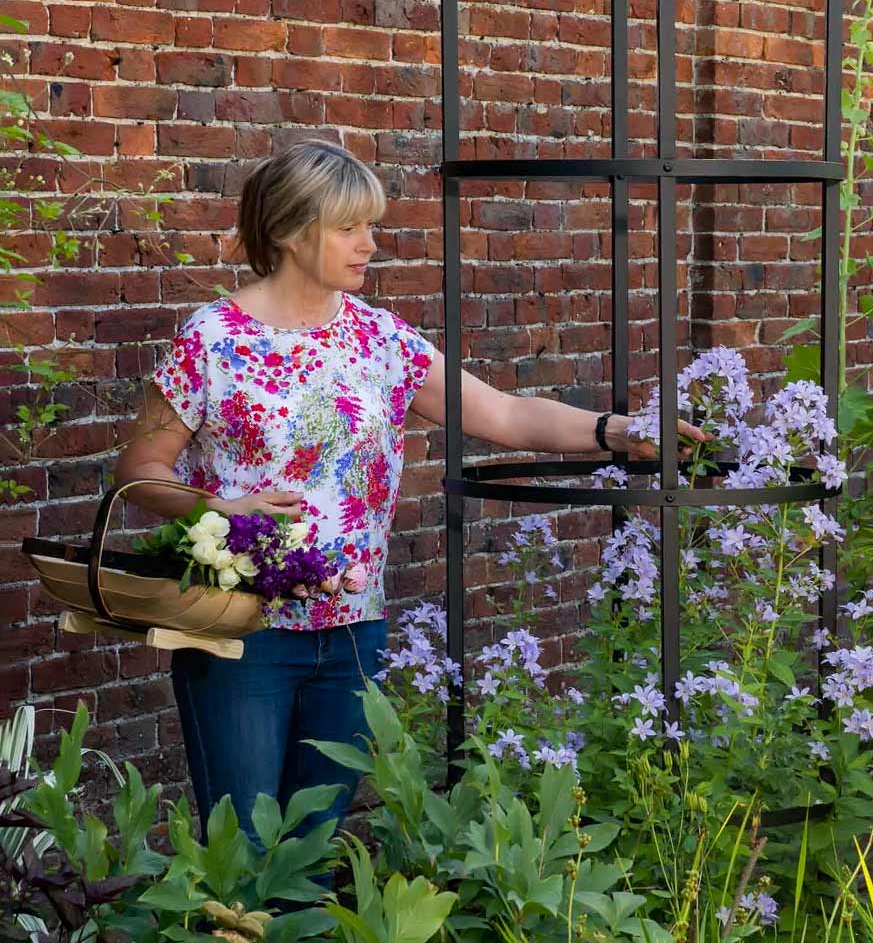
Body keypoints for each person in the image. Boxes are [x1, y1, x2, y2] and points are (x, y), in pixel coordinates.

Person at [114, 138, 705, 846]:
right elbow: (140, 472)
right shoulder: (211, 341)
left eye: (372, 226)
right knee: (240, 856)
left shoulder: (380, 340)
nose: (371, 244)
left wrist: (619, 430)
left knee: (308, 854)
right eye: (350, 227)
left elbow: (506, 415)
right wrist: (221, 509)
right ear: (287, 232)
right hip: (242, 631)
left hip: (356, 632)